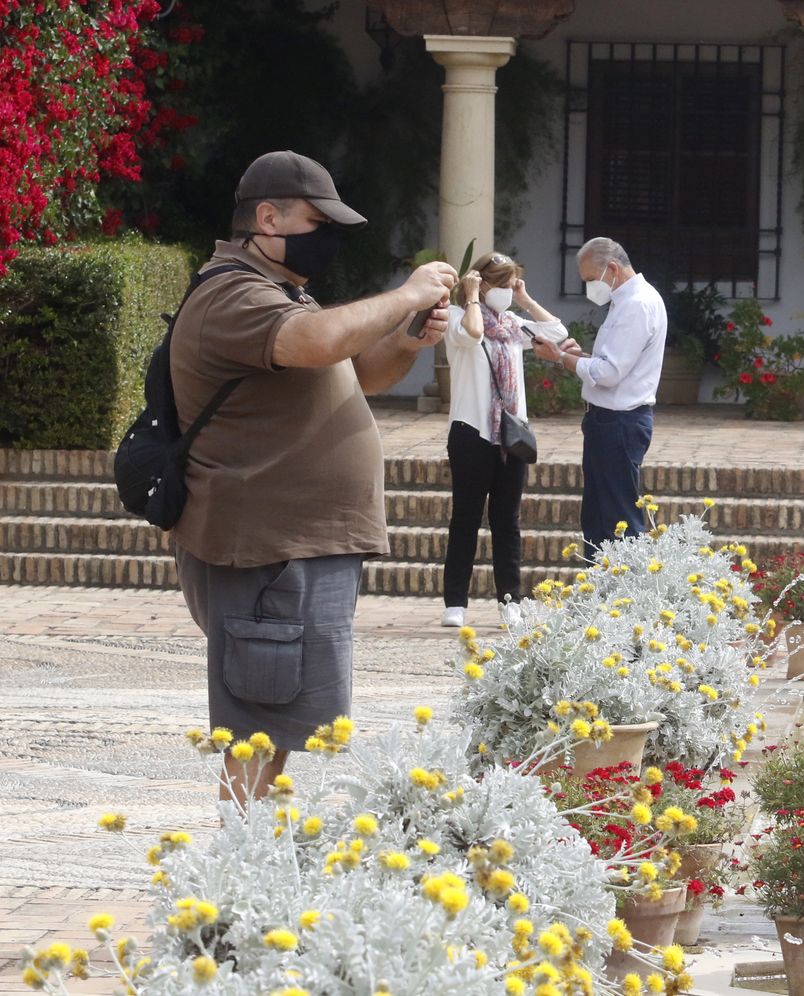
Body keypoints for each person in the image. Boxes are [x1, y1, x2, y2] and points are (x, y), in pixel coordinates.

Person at [169, 150, 456, 803]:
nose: (326, 237)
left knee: (276, 724)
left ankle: (258, 852)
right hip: (266, 550)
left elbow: (359, 374)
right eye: (316, 221)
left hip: (293, 547)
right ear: (267, 219)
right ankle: (241, 858)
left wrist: (407, 338)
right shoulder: (233, 294)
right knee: (254, 727)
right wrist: (407, 295)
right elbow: (321, 342)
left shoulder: (281, 293)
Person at [440, 253, 570, 629]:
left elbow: (557, 333)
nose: (508, 293)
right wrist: (471, 296)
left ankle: (510, 600)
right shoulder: (457, 317)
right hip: (471, 431)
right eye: (503, 285)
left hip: (511, 434)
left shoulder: (513, 326)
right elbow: (473, 332)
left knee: (506, 520)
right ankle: (455, 603)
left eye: (512, 285)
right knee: (465, 518)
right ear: (482, 284)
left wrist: (525, 299)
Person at [534, 237, 666, 558]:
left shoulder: (637, 304)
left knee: (618, 520)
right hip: (608, 419)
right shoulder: (628, 300)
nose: (590, 287)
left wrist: (561, 358)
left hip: (619, 421)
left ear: (612, 269)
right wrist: (580, 357)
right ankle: (601, 585)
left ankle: (625, 585)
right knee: (598, 519)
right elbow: (613, 364)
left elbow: (609, 374)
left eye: (591, 279)